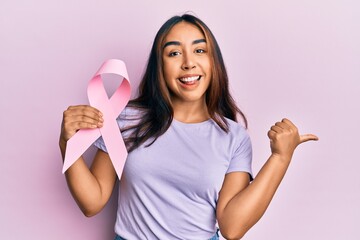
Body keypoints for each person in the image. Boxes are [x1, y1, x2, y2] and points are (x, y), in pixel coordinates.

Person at [59, 14, 318, 240]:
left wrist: (280, 158)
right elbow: (92, 202)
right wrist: (67, 145)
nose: (188, 63)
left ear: (213, 63)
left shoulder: (234, 137)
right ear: (159, 67)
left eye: (199, 50)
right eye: (174, 53)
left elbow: (233, 227)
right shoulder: (126, 119)